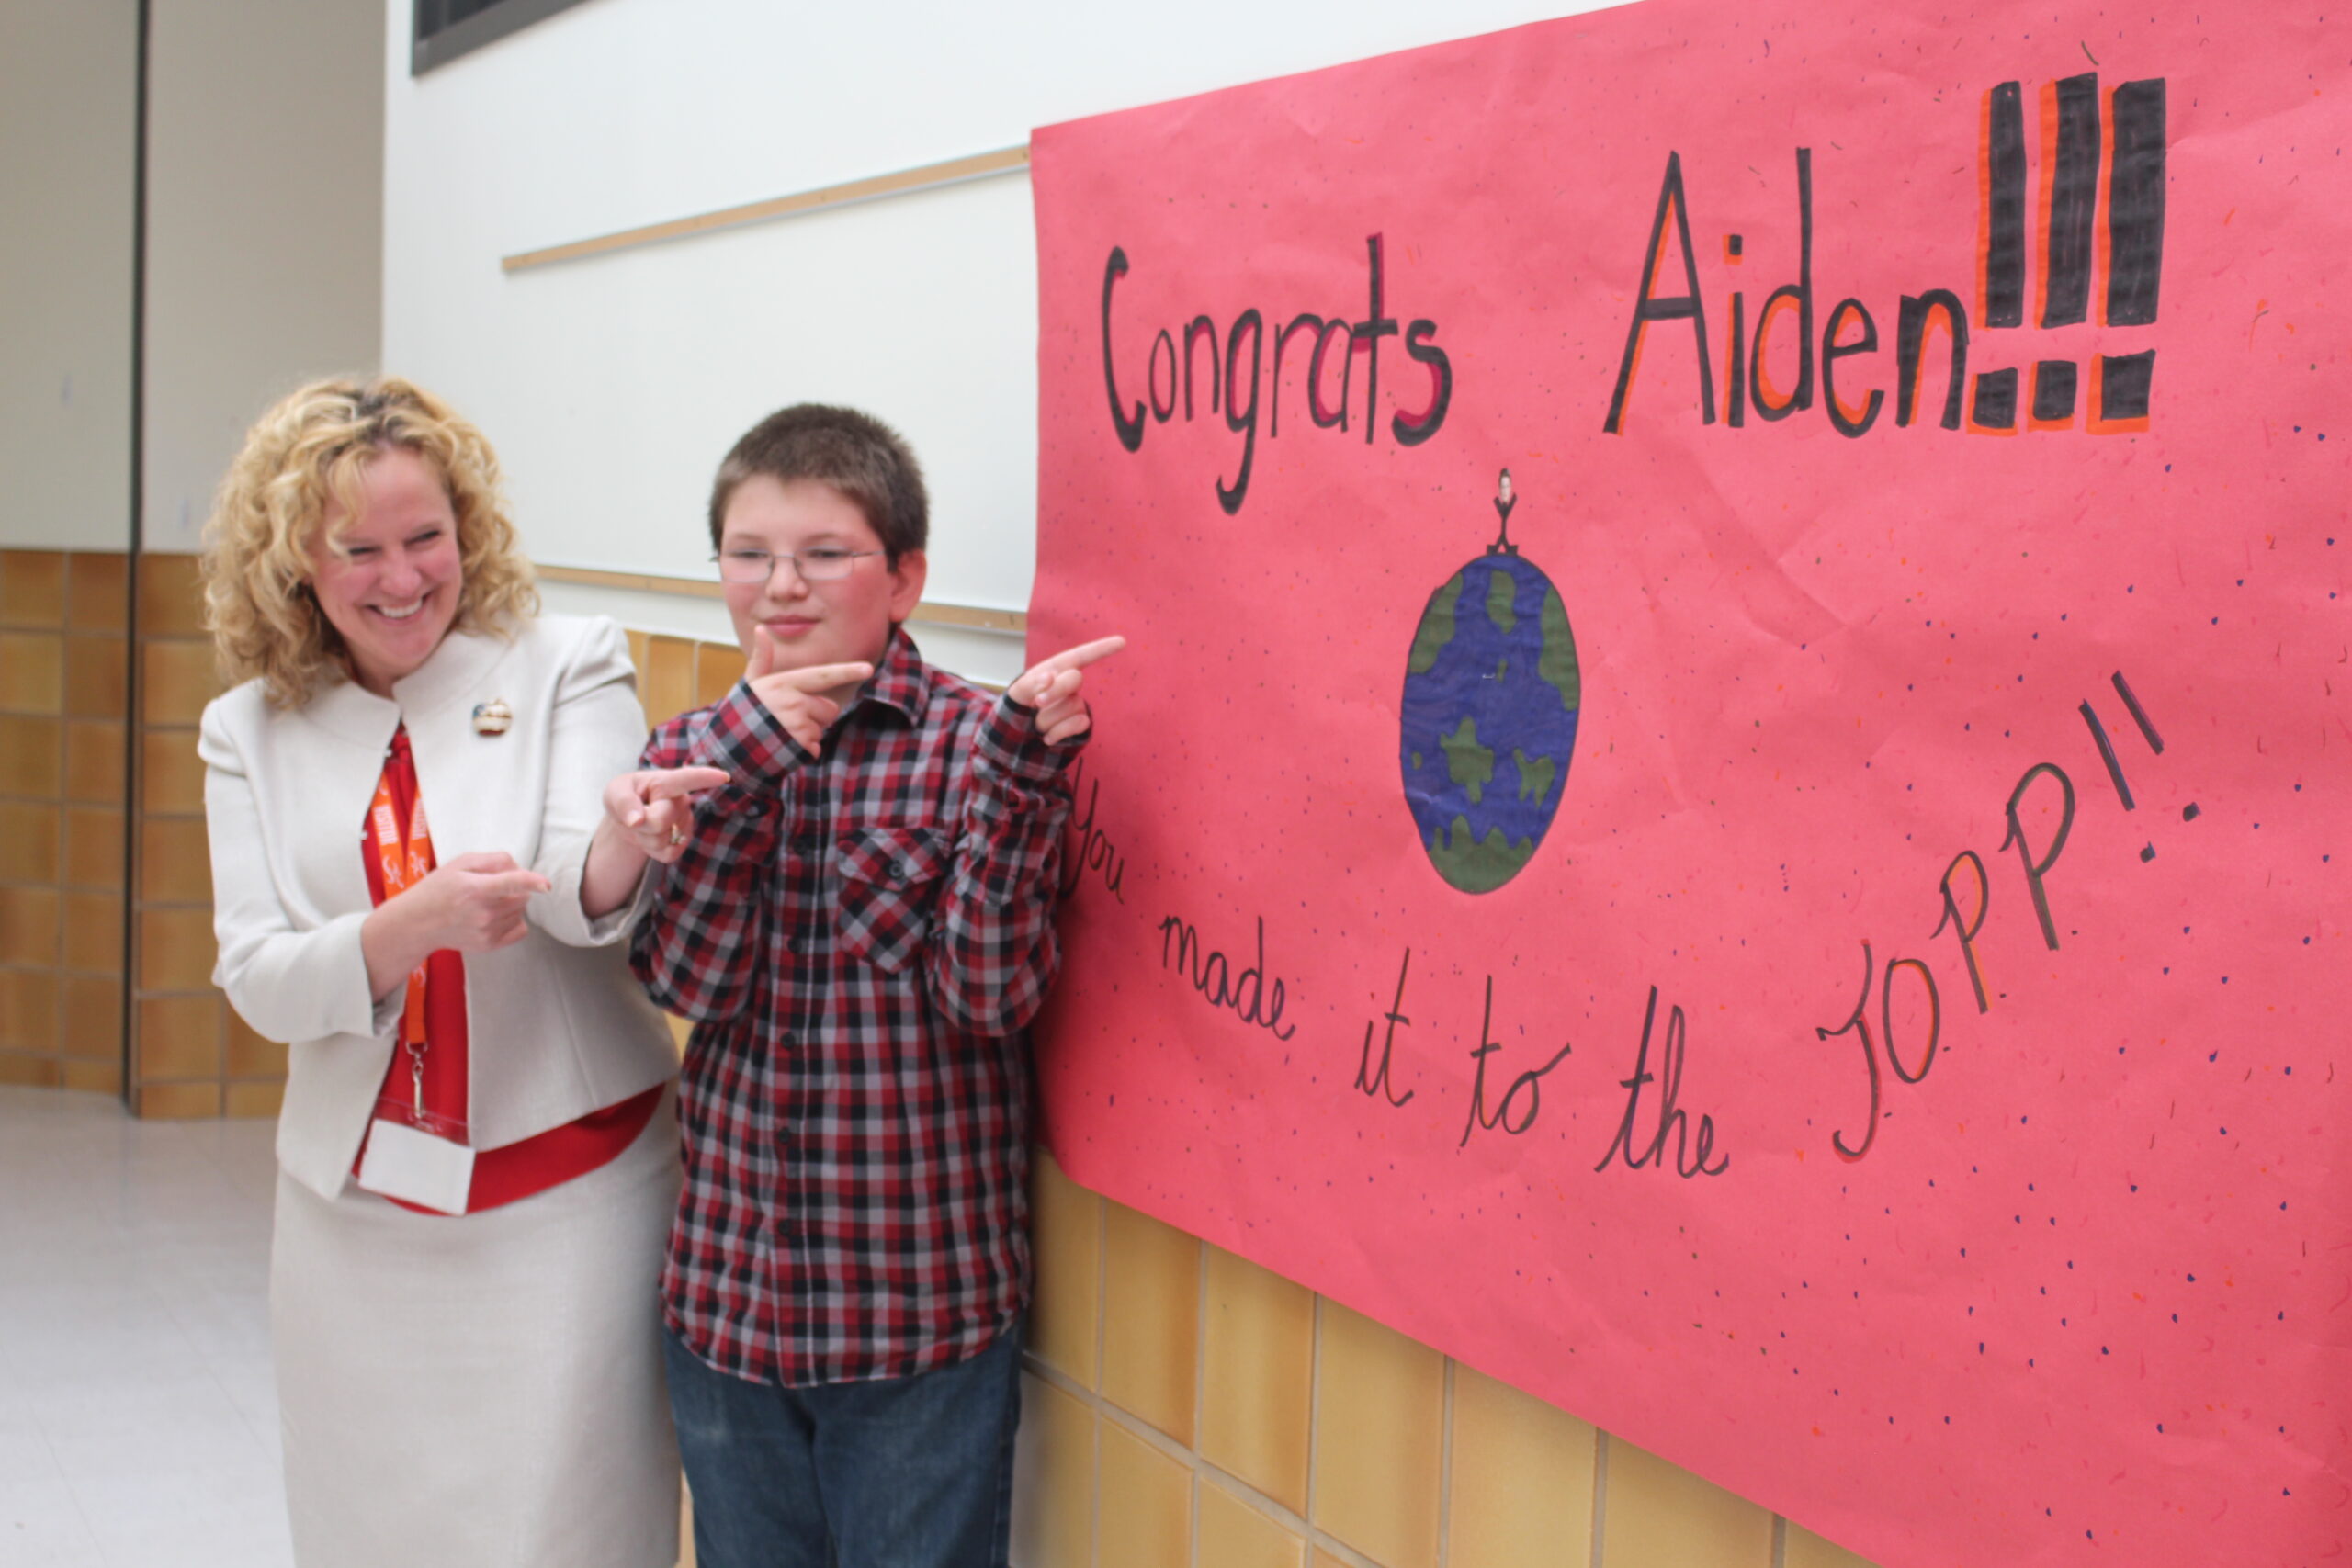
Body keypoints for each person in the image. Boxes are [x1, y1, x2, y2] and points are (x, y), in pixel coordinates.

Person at [198, 376, 719, 1568]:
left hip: (568, 1203)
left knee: (571, 1529)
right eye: (360, 548)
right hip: (357, 1222)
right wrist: (408, 924)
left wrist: (630, 835)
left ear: (466, 528)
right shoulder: (249, 729)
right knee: (368, 1529)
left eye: (426, 535)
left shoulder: (563, 661)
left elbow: (583, 896)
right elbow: (261, 977)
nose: (402, 576)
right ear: (296, 563)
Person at [608, 403, 1118, 1567]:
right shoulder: (689, 745)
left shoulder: (975, 743)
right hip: (726, 1314)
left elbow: (991, 1000)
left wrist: (1024, 786)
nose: (780, 586)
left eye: (824, 552)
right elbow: (688, 981)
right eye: (748, 554)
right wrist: (743, 765)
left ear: (904, 577)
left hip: (919, 1319)